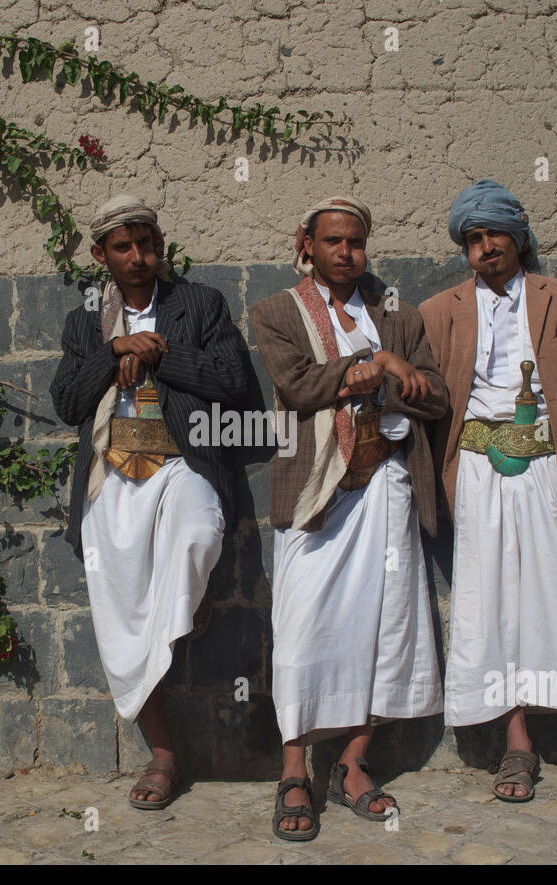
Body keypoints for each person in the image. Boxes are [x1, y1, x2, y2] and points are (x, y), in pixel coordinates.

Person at [419, 180, 557, 801]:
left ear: (518, 236)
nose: (485, 246)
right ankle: (517, 745)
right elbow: (430, 399)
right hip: (475, 465)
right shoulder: (440, 311)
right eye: (473, 238)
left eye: (495, 233)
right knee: (489, 600)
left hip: (552, 461)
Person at [248, 196, 448, 840]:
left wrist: (391, 374)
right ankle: (295, 771)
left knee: (387, 622)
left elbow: (437, 396)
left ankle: (355, 765)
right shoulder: (276, 312)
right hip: (317, 490)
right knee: (305, 624)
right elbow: (300, 386)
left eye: (356, 242)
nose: (346, 252)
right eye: (333, 241)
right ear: (305, 243)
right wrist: (378, 366)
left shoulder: (398, 314)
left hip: (387, 480)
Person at [49, 194, 250, 809]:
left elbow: (235, 385)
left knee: (197, 535)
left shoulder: (199, 304)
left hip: (178, 462)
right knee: (120, 611)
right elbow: (66, 402)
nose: (138, 257)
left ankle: (188, 605)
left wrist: (163, 352)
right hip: (112, 473)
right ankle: (163, 754)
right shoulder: (87, 321)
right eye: (123, 246)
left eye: (147, 243)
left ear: (160, 246)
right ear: (100, 254)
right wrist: (114, 356)